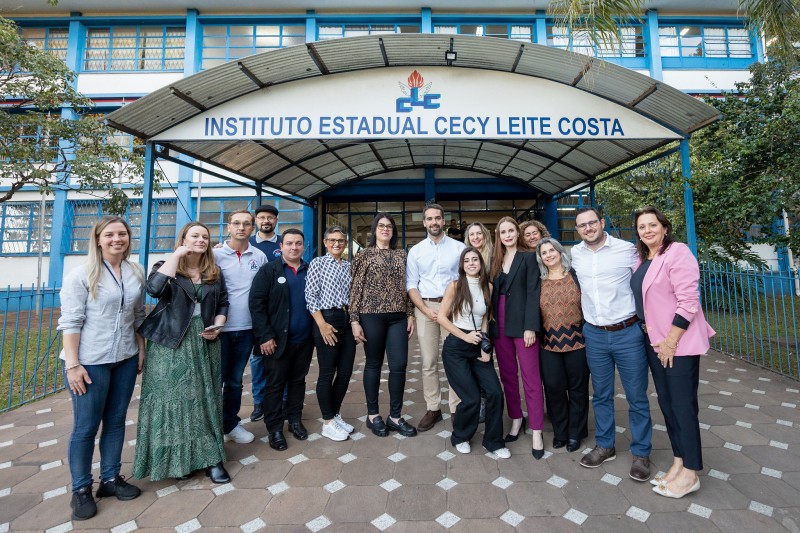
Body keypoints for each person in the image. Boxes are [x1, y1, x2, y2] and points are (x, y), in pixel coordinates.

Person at [58, 216, 145, 521]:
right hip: (90, 361)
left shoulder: (135, 271)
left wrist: (140, 350)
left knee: (117, 421)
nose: (116, 239)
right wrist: (73, 365)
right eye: (109, 234)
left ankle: (110, 479)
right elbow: (70, 322)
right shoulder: (81, 275)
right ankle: (81, 489)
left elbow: (137, 314)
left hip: (124, 357)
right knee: (86, 427)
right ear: (97, 239)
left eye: (122, 234)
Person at [135, 222, 230, 484]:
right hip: (170, 342)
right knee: (174, 401)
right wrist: (177, 255)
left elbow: (223, 302)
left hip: (205, 339)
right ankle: (180, 459)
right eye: (195, 236)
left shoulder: (214, 271)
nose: (200, 240)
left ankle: (211, 459)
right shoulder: (166, 267)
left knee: (203, 397)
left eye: (205, 237)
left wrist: (219, 325)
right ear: (184, 238)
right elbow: (153, 290)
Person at [631, 206, 715, 498]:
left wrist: (670, 341)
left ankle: (691, 473)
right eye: (642, 227)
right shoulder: (644, 259)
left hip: (676, 344)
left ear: (664, 227)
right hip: (654, 343)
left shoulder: (678, 253)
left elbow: (688, 301)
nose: (647, 230)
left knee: (683, 406)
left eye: (652, 225)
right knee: (667, 404)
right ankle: (679, 462)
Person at [571, 207, 653, 482]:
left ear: (602, 223)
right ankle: (605, 445)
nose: (588, 228)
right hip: (593, 333)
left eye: (592, 222)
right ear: (577, 229)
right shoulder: (576, 254)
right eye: (582, 225)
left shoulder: (627, 250)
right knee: (602, 394)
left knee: (636, 396)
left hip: (627, 333)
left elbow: (646, 282)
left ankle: (641, 452)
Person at [438, 247, 511, 459]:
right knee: (471, 398)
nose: (471, 263)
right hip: (456, 348)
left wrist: (484, 346)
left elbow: (486, 318)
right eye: (467, 260)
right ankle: (460, 436)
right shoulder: (455, 286)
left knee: (495, 393)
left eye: (475, 259)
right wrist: (465, 336)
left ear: (480, 263)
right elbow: (442, 317)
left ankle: (494, 441)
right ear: (462, 265)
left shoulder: (487, 286)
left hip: (479, 346)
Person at [350, 213, 417, 438]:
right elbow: (356, 288)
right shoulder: (364, 255)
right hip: (371, 315)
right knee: (374, 364)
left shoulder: (402, 255)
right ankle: (373, 415)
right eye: (381, 226)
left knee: (399, 365)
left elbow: (409, 286)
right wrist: (354, 320)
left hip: (398, 316)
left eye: (389, 226)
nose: (385, 229)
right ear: (374, 230)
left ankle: (395, 417)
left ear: (393, 231)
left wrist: (410, 314)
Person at [249, 229, 314, 451]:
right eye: (289, 243)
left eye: (298, 243)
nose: (294, 247)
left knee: (298, 381)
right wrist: (265, 335)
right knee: (275, 385)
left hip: (304, 340)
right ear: (282, 246)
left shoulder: (310, 270)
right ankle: (274, 428)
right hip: (276, 341)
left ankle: (294, 420)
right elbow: (256, 305)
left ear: (303, 246)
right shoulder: (269, 270)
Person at [489, 217, 545, 458]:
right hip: (499, 324)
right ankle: (515, 418)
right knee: (508, 376)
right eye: (503, 232)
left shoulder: (529, 256)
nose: (508, 235)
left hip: (523, 324)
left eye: (511, 230)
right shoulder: (495, 260)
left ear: (517, 232)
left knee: (531, 377)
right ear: (498, 236)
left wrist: (531, 326)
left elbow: (534, 293)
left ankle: (536, 430)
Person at [406, 203, 466, 431]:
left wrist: (452, 305)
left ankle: (456, 407)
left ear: (444, 220)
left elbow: (465, 277)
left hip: (452, 309)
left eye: (438, 218)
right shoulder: (416, 251)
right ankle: (433, 408)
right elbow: (411, 284)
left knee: (454, 360)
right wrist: (423, 309)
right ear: (424, 222)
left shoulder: (459, 247)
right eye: (429, 219)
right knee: (429, 362)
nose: (434, 222)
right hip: (427, 309)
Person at [213, 210, 267, 445]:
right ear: (228, 227)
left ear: (253, 229)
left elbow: (263, 294)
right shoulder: (214, 255)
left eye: (246, 224)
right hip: (217, 330)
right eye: (236, 223)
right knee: (215, 380)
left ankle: (230, 423)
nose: (241, 228)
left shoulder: (259, 256)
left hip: (246, 329)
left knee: (235, 381)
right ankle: (211, 427)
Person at [535, 237, 589, 453]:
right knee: (554, 389)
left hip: (578, 342)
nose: (548, 255)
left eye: (551, 250)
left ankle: (576, 433)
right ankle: (561, 432)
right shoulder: (539, 281)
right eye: (544, 253)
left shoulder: (575, 275)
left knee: (578, 390)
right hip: (549, 344)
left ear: (559, 252)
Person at [305, 226, 357, 441]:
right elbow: (310, 295)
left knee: (345, 372)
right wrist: (322, 325)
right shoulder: (317, 263)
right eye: (332, 240)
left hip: (345, 319)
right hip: (326, 319)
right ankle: (327, 422)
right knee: (328, 372)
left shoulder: (348, 266)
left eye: (341, 241)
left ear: (345, 244)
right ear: (325, 242)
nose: (337, 244)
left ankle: (335, 415)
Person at [248, 204, 282, 421]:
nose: (266, 221)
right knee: (258, 359)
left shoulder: (283, 243)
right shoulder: (248, 244)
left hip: (279, 308)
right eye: (261, 217)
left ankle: (283, 399)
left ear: (276, 221)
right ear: (256, 220)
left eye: (270, 217)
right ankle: (259, 402)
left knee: (282, 356)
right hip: (256, 309)